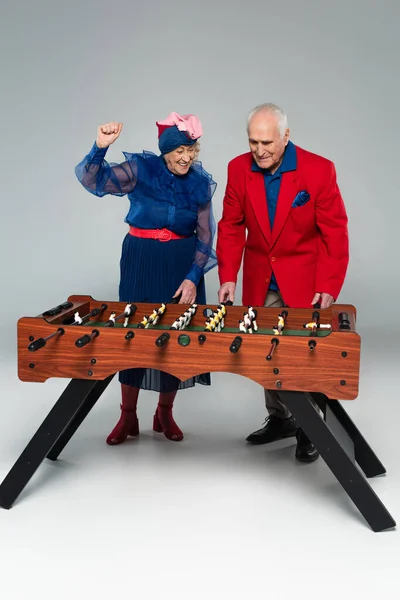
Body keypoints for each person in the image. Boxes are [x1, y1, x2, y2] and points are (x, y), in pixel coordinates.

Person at [216, 103, 349, 462]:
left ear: (286, 136)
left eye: (267, 143)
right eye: (252, 142)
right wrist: (228, 275)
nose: (259, 150)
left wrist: (329, 283)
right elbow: (230, 226)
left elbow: (334, 233)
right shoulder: (237, 168)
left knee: (303, 356)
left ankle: (310, 427)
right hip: (261, 279)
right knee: (264, 353)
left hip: (306, 280)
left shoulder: (319, 170)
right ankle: (281, 419)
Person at [75, 112, 217, 444]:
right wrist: (100, 147)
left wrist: (194, 276)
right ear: (165, 150)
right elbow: (91, 179)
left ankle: (164, 413)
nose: (185, 158)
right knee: (133, 335)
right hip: (141, 258)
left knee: (173, 336)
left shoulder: (199, 183)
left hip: (180, 265)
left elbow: (206, 235)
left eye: (191, 150)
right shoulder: (141, 170)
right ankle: (127, 417)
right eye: (179, 151)